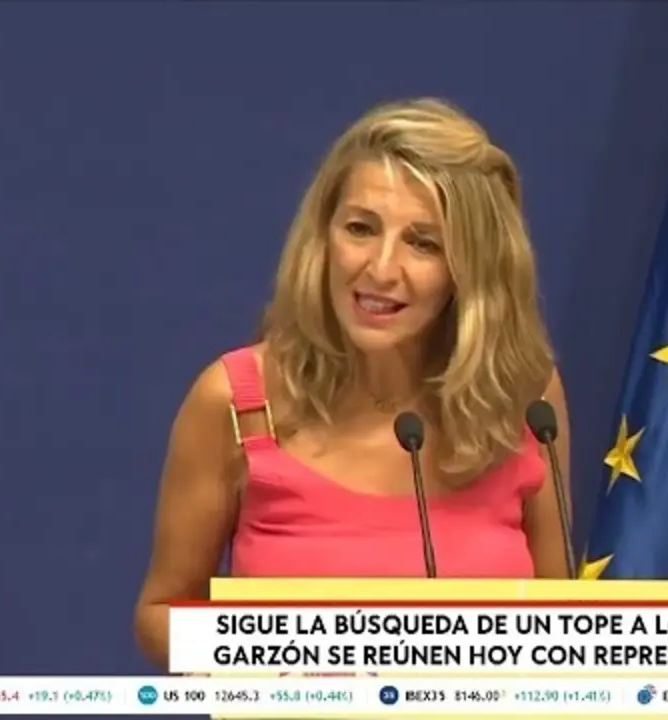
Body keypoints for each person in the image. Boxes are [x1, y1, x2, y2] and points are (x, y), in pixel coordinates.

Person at [133, 98, 572, 668]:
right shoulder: (237, 402)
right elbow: (160, 614)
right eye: (361, 229)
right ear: (324, 237)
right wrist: (298, 652)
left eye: (423, 243)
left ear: (470, 269)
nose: (381, 269)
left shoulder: (523, 395)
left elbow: (561, 627)